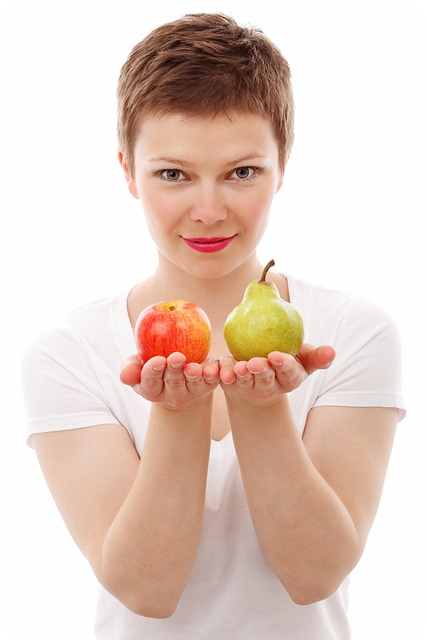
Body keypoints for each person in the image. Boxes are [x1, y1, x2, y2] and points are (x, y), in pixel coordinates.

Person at [21, 12, 405, 640]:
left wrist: (261, 409)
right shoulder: (67, 352)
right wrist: (177, 413)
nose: (207, 211)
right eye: (173, 174)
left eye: (241, 172)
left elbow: (314, 575)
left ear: (282, 166)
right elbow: (147, 591)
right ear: (127, 172)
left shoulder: (354, 331)